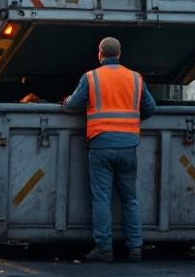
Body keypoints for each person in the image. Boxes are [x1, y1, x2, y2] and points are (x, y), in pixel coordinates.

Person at [64, 37, 156, 262]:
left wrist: (64, 102)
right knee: (130, 198)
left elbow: (74, 105)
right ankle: (135, 248)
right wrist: (132, 119)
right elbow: (150, 108)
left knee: (102, 198)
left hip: (101, 144)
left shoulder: (91, 77)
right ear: (120, 54)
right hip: (128, 146)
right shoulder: (135, 78)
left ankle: (104, 249)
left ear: (100, 53)